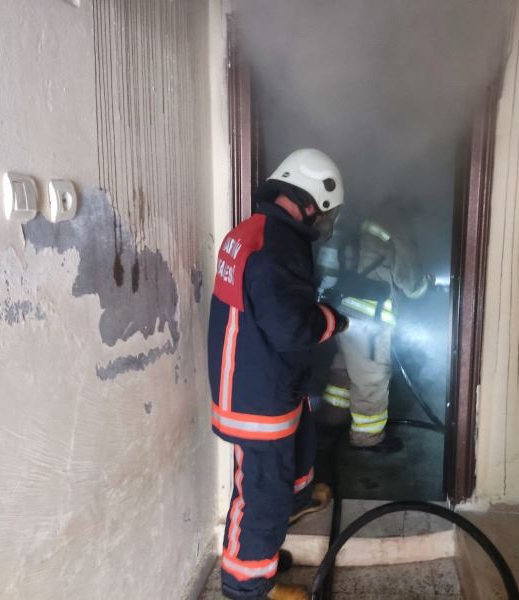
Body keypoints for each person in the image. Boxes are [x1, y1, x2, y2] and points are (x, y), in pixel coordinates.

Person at [208, 149, 349, 600]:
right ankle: (247, 585)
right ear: (308, 202)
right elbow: (291, 327)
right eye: (324, 211)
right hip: (257, 394)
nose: (323, 222)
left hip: (260, 378)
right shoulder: (277, 247)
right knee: (262, 493)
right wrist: (330, 319)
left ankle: (290, 509)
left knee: (295, 454)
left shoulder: (255, 231)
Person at [318, 215, 429, 451]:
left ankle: (331, 419)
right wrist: (426, 284)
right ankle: (367, 438)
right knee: (371, 377)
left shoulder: (363, 220)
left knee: (345, 369)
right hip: (371, 323)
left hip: (343, 314)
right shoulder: (397, 227)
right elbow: (411, 283)